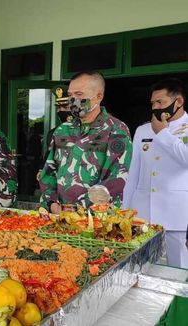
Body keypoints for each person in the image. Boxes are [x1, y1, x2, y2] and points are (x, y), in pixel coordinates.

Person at [39, 71, 132, 213]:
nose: (73, 100)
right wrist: (51, 203)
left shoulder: (116, 130)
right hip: (59, 216)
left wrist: (77, 208)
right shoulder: (62, 130)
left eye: (79, 94)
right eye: (70, 95)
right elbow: (48, 172)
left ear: (98, 96)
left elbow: (117, 179)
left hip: (97, 219)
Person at [123, 78, 188, 268]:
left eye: (161, 102)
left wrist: (162, 134)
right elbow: (133, 174)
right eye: (153, 103)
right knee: (142, 269)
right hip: (143, 215)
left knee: (180, 270)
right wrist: (125, 212)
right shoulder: (143, 130)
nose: (156, 107)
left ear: (179, 102)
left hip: (177, 217)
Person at [36, 85, 73, 181]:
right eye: (58, 107)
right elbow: (49, 155)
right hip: (57, 180)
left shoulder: (88, 131)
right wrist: (42, 169)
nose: (60, 111)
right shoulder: (54, 132)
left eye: (65, 107)